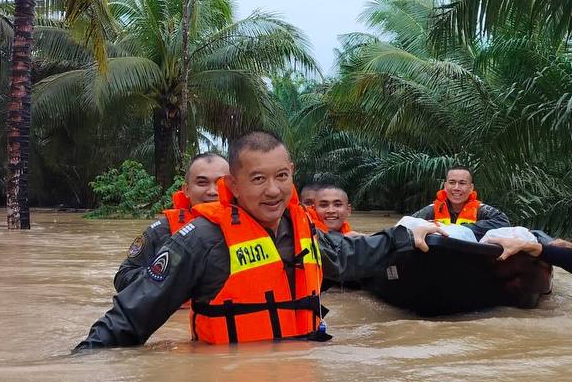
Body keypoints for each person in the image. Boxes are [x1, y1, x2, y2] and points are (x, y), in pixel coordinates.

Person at [75, 131, 444, 350]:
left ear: (292, 174)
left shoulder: (301, 227)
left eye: (281, 176)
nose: (273, 191)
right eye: (257, 179)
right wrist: (82, 364)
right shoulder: (199, 240)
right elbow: (129, 318)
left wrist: (406, 235)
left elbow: (348, 256)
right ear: (232, 186)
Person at [113, 152, 229, 291]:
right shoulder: (161, 231)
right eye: (202, 182)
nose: (212, 191)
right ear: (186, 190)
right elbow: (122, 278)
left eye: (220, 183)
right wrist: (166, 276)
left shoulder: (254, 227)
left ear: (233, 187)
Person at [410, 166, 510, 235]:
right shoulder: (432, 209)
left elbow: (504, 222)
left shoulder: (481, 210)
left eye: (462, 183)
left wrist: (460, 229)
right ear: (445, 186)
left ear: (471, 188)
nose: (456, 188)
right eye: (452, 182)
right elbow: (407, 224)